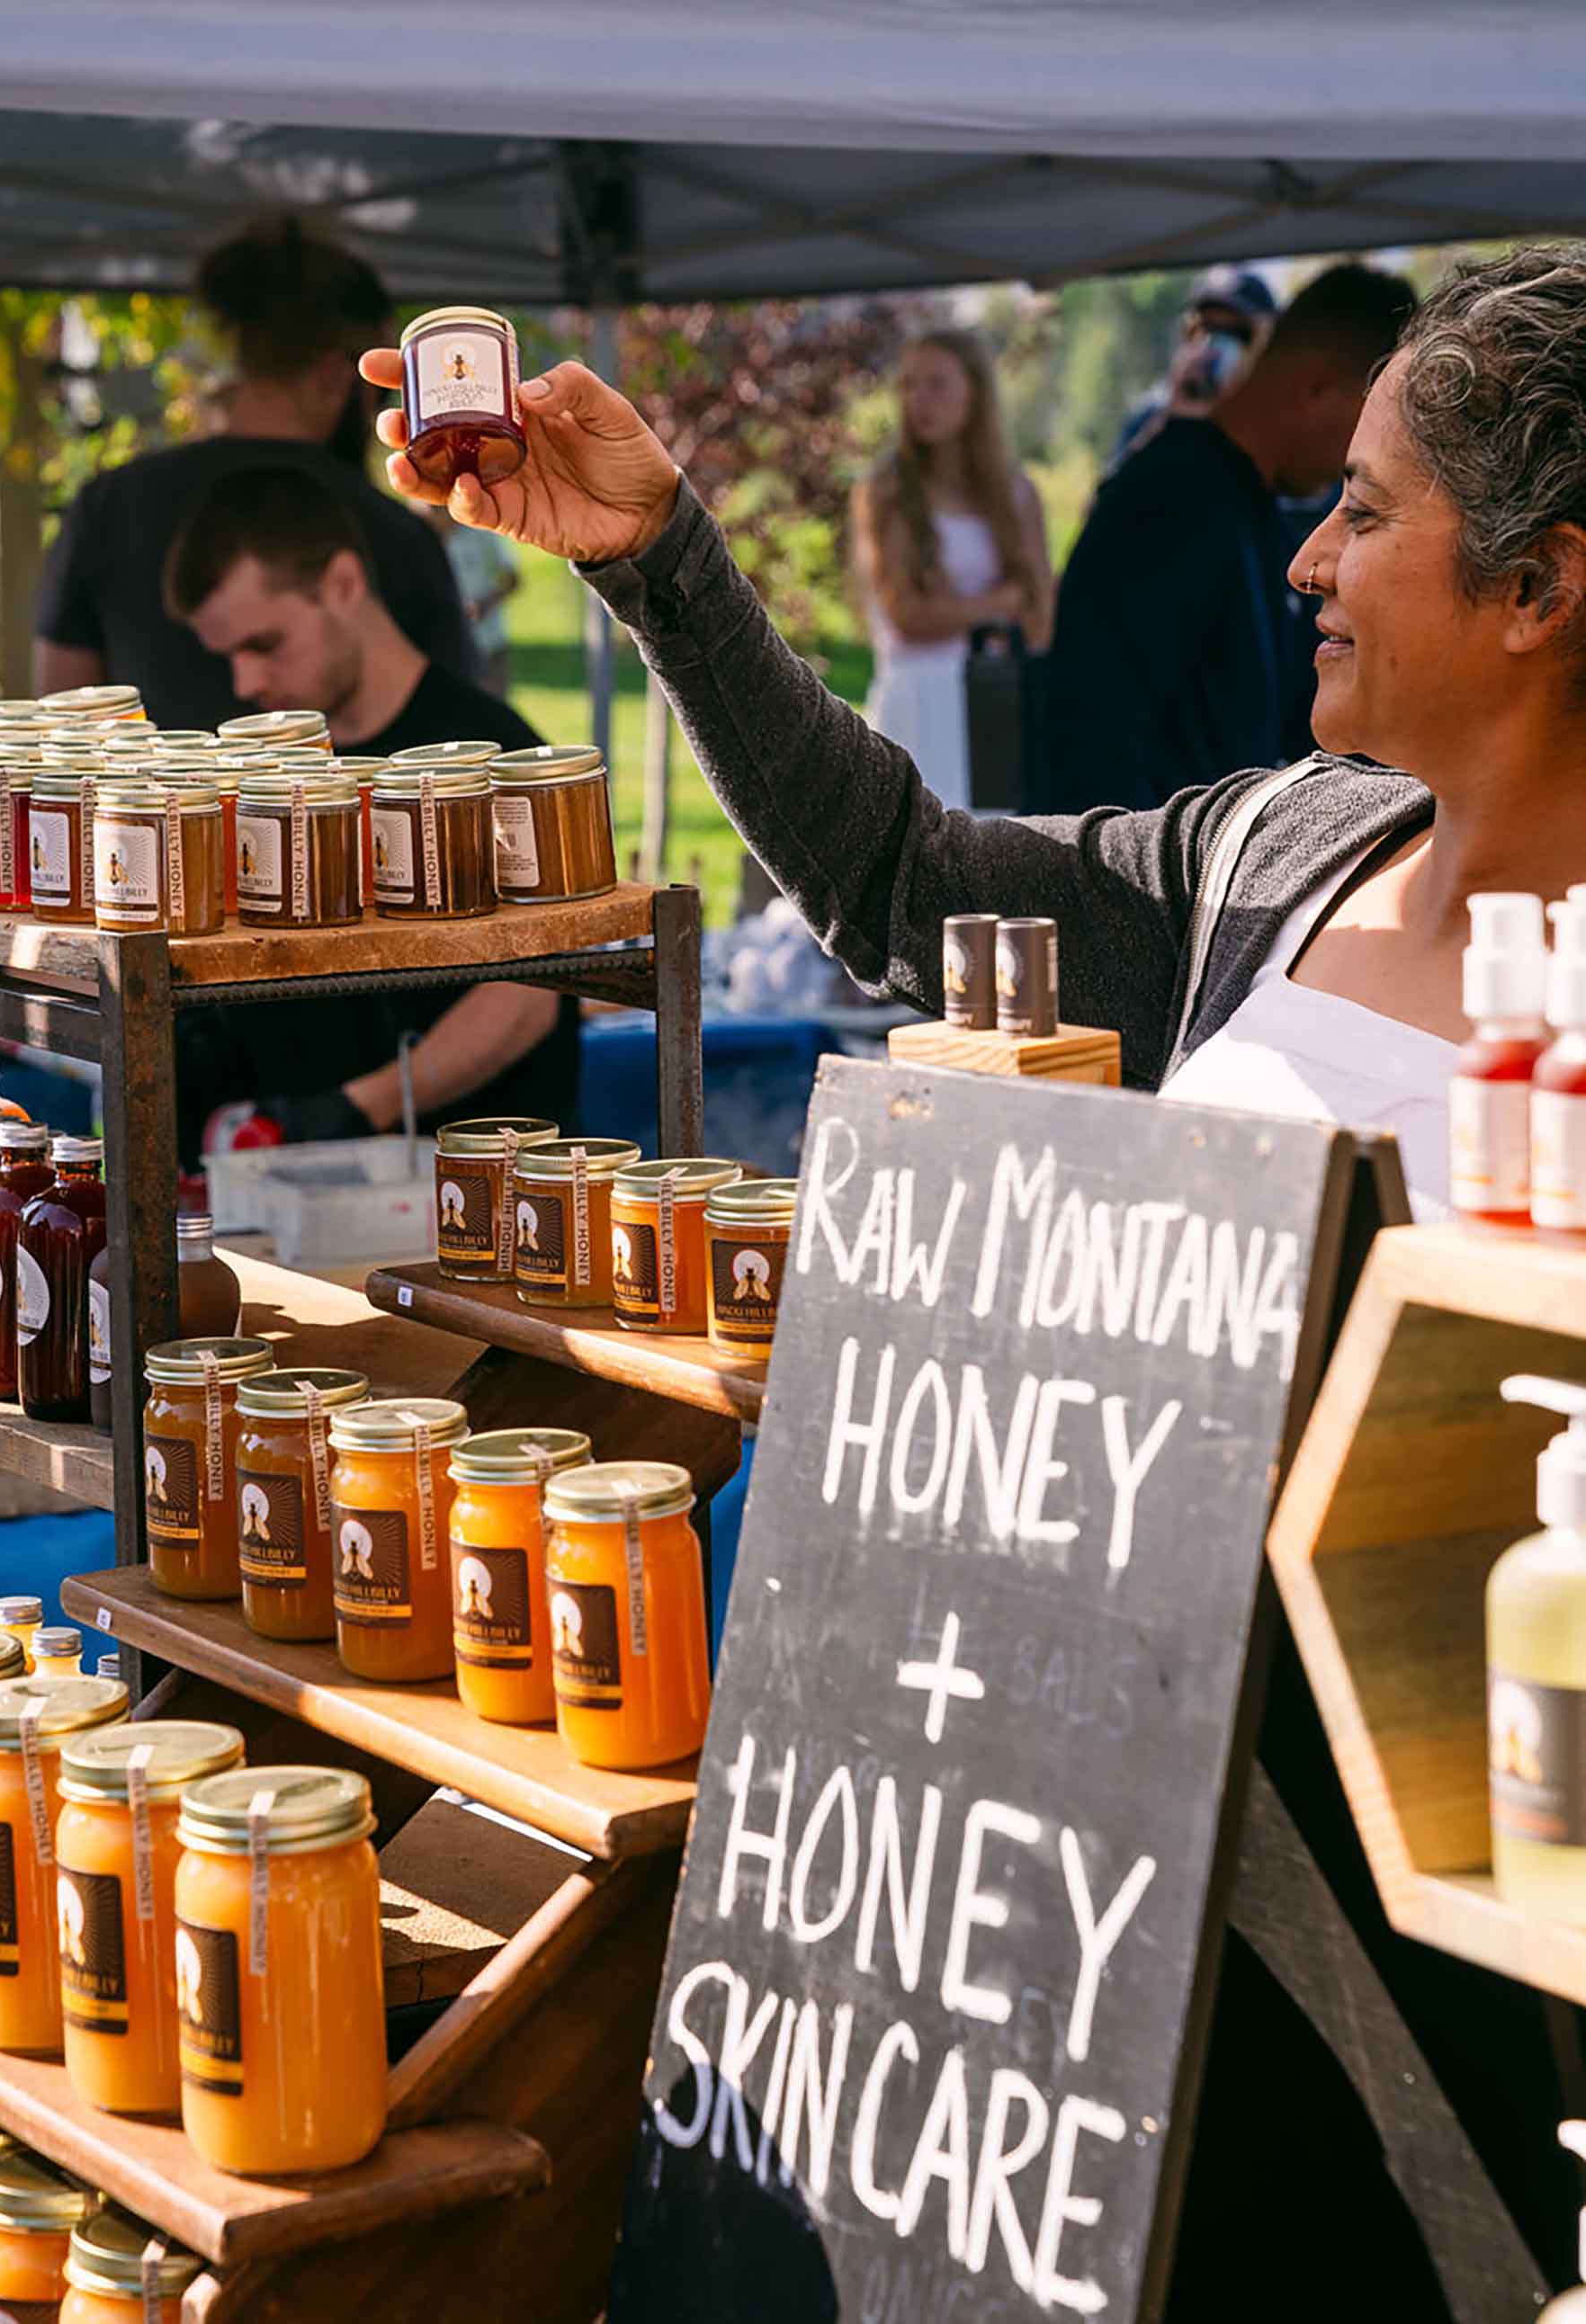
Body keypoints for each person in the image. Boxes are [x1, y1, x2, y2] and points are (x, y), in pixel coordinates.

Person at [357, 246, 1586, 2311]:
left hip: (1436, 1966)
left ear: (1541, 587)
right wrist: (656, 562)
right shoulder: (1288, 851)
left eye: (1366, 514)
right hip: (1087, 1899)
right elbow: (902, 882)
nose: (1305, 562)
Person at [161, 462, 576, 1161]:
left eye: (264, 644)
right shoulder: (259, 775)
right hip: (284, 1184)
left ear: (344, 584)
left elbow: (529, 997)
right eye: (227, 655)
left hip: (465, 1184)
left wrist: (359, 1107)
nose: (246, 680)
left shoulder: (488, 754)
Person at [34, 212, 473, 726]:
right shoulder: (398, 534)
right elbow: (451, 725)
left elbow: (62, 716)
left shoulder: (110, 505)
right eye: (377, 391)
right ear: (336, 375)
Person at [1042, 262, 1416, 815]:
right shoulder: (1171, 500)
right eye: (1369, 424)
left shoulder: (1251, 507)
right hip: (1153, 854)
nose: (1366, 456)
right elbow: (1095, 726)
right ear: (1314, 389)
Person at [850, 327, 1053, 810]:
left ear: (974, 392)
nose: (919, 400)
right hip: (917, 703)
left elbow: (1039, 621)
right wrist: (998, 603)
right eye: (909, 385)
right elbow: (908, 616)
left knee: (998, 839)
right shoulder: (887, 491)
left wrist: (959, 608)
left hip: (994, 700)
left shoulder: (1016, 494)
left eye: (937, 384)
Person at [1108, 264, 1279, 471]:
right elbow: (1116, 487)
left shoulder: (1284, 421)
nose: (1215, 345)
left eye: (1236, 333)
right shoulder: (1156, 414)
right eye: (1204, 330)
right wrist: (1170, 422)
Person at [429, 505, 522, 696]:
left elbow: (513, 579)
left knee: (493, 707)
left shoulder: (482, 530)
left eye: (434, 509)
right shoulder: (418, 536)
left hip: (487, 644)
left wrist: (485, 604)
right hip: (444, 650)